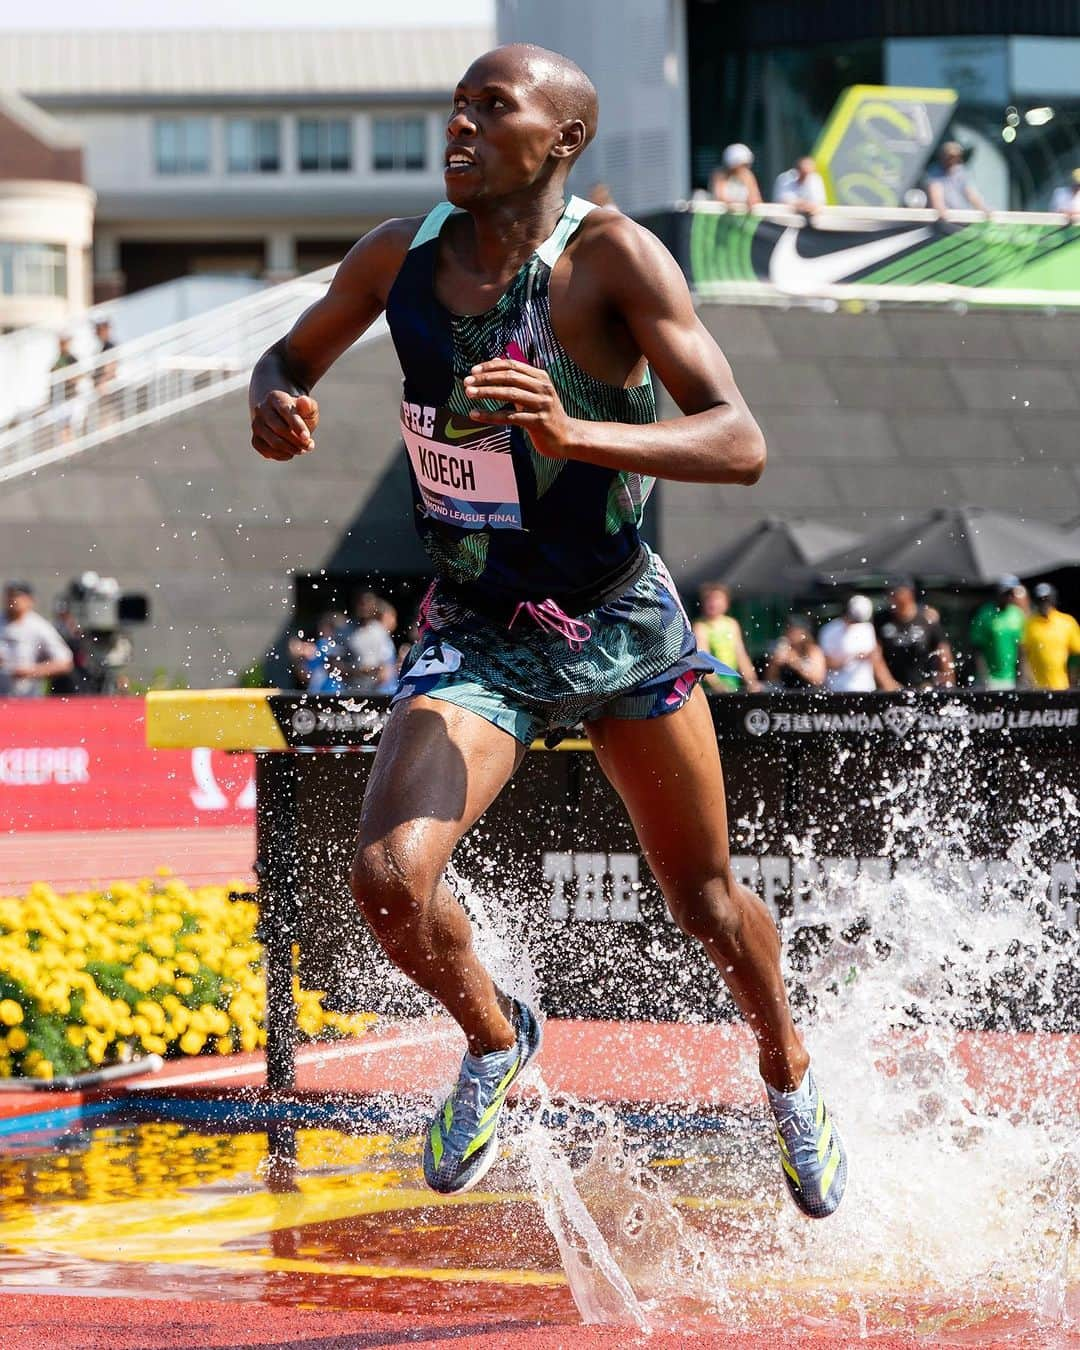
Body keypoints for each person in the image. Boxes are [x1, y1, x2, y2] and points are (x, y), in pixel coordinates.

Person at [249, 43, 847, 1219]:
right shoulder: (399, 255)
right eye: (457, 105)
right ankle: (494, 1037)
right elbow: (289, 354)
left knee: (707, 903)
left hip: (621, 623)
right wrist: (274, 396)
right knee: (386, 877)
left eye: (493, 106)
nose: (461, 124)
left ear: (561, 139)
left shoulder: (610, 259)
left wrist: (579, 437)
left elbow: (739, 441)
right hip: (479, 629)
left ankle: (788, 1073)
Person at [0, 581, 74, 697]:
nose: (13, 600)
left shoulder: (39, 627)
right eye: (10, 595)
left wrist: (31, 671)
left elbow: (64, 662)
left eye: (18, 596)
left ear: (30, 600)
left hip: (28, 699)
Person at [876, 581, 954, 689]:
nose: (892, 598)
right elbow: (875, 655)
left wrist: (949, 683)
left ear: (909, 594)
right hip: (893, 686)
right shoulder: (882, 620)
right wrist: (888, 683)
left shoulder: (927, 618)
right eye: (891, 594)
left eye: (897, 594)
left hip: (925, 685)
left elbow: (943, 652)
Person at [818, 595, 896, 692]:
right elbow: (826, 663)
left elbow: (877, 662)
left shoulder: (867, 629)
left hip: (865, 689)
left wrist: (890, 685)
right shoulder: (829, 630)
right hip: (838, 690)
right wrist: (854, 657)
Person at [693, 582, 760, 693]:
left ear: (726, 603)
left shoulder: (732, 624)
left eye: (717, 599)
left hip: (731, 683)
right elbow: (703, 661)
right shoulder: (700, 627)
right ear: (703, 603)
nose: (713, 603)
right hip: (708, 688)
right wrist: (718, 685)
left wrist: (752, 682)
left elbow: (741, 656)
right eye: (709, 599)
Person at [969, 576, 1027, 689]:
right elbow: (977, 649)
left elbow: (1021, 649)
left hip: (1011, 679)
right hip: (990, 679)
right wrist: (984, 678)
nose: (1010, 596)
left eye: (1012, 593)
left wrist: (1021, 678)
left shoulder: (1017, 615)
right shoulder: (984, 614)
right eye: (1007, 593)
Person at [1022, 583, 1080, 690]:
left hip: (1063, 686)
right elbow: (1023, 654)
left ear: (1053, 600)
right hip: (1036, 688)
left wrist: (1074, 682)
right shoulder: (1028, 624)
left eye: (1047, 600)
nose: (1044, 604)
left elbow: (1076, 654)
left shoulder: (1067, 622)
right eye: (1040, 600)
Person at [343, 591, 397, 695]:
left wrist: (373, 675)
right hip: (350, 689)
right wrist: (355, 671)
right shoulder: (346, 631)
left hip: (375, 690)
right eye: (362, 604)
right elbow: (335, 664)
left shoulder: (380, 631)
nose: (364, 608)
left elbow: (386, 667)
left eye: (368, 604)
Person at [926, 141, 988, 215]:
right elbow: (937, 200)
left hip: (961, 216)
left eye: (956, 156)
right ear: (942, 156)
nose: (953, 160)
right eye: (950, 156)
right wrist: (943, 212)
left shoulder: (960, 171)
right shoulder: (933, 173)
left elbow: (971, 194)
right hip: (944, 220)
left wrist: (983, 209)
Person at [765, 615, 826, 689]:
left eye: (793, 631)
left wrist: (794, 662)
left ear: (804, 633)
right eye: (788, 630)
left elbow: (818, 679)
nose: (790, 634)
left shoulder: (813, 650)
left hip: (809, 693)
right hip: (786, 693)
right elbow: (770, 679)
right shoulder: (784, 648)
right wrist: (775, 663)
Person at [710, 142, 762, 207]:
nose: (745, 168)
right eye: (742, 165)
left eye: (746, 165)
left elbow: (755, 199)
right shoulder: (720, 174)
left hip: (743, 216)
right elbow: (720, 197)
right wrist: (733, 205)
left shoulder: (748, 175)